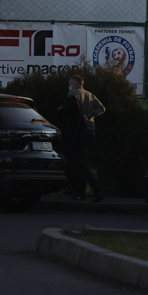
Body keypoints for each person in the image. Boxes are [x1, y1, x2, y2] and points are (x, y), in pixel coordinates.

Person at [58, 74, 106, 202]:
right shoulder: (91, 95)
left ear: (74, 84)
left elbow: (71, 110)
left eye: (70, 84)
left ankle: (97, 191)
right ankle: (80, 191)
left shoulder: (73, 94)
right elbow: (102, 108)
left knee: (83, 164)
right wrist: (90, 115)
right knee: (86, 162)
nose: (69, 86)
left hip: (81, 131)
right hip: (92, 130)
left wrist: (62, 111)